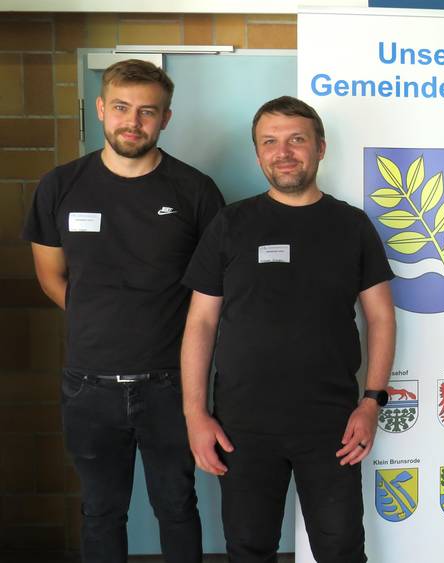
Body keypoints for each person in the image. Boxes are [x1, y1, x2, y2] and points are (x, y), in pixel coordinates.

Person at [22, 59, 225, 563]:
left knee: (177, 505)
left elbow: (217, 288)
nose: (132, 121)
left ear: (165, 118)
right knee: (100, 511)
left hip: (170, 384)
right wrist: (101, 314)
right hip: (88, 386)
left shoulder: (195, 192)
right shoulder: (60, 186)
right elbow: (51, 276)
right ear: (100, 109)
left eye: (147, 111)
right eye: (121, 107)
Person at [180, 95, 396, 563]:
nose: (284, 152)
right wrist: (196, 415)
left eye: (297, 139)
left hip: (331, 425)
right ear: (258, 154)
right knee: (249, 549)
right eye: (270, 142)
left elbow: (380, 316)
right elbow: (200, 322)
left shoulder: (351, 225)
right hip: (242, 425)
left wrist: (371, 401)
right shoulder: (230, 224)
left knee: (340, 550)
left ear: (320, 147)